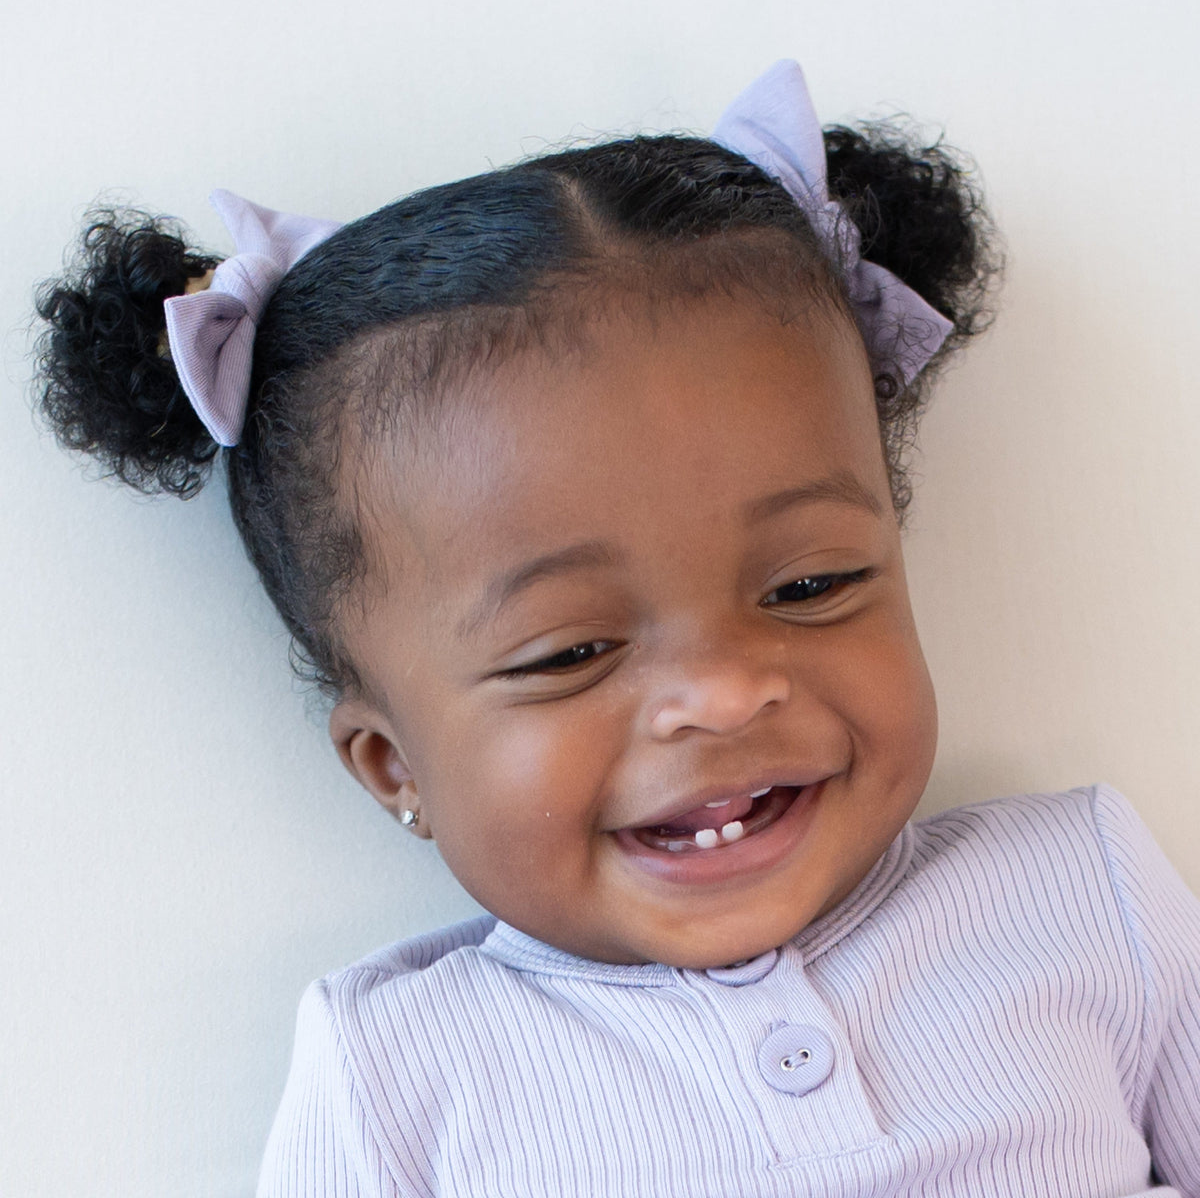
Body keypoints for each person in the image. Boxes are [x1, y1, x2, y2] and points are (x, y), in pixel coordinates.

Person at [32, 60, 1200, 1197]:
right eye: (570, 653)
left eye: (811, 585)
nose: (724, 692)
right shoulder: (397, 1076)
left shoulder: (1083, 894)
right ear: (396, 766)